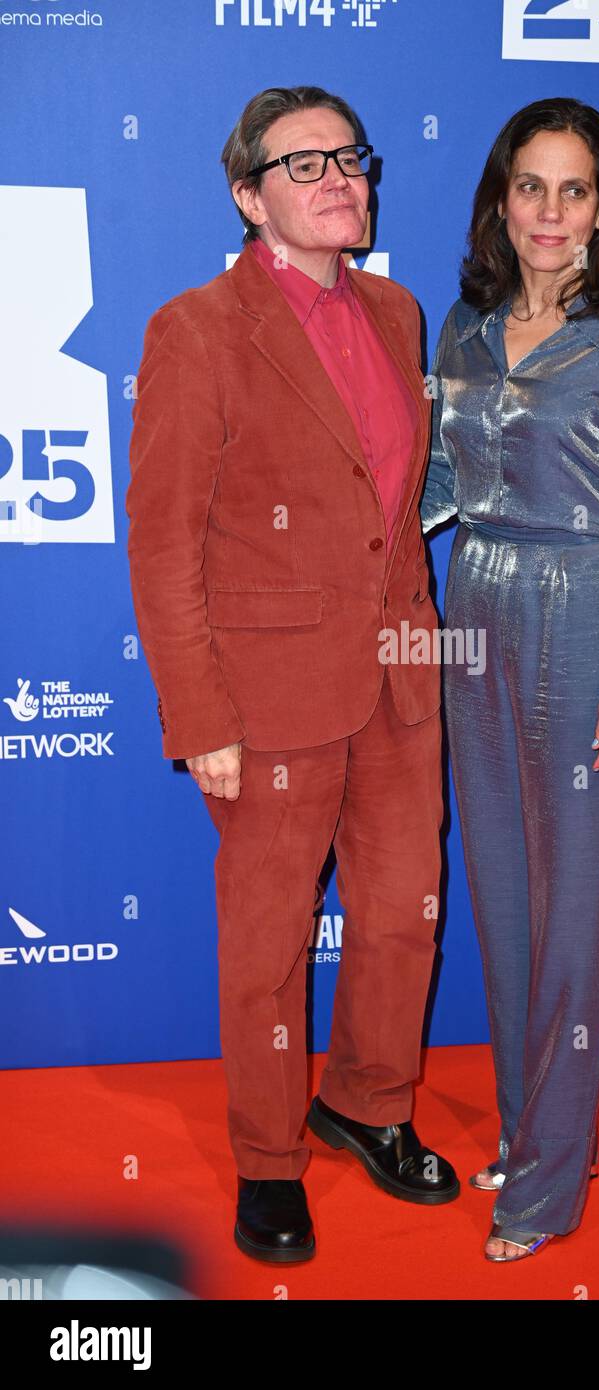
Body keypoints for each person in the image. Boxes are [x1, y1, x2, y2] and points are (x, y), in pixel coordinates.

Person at [126, 85, 458, 1266]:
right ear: (247, 195)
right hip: (266, 697)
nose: (337, 178)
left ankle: (369, 1103)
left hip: (401, 678)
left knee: (401, 916)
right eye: (302, 162)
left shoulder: (400, 310)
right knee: (267, 943)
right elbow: (163, 542)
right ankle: (268, 1161)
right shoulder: (196, 329)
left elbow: (396, 515)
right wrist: (198, 711)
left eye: (350, 157)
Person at [421, 97, 599, 1262]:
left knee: (579, 919)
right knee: (501, 903)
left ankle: (543, 1189)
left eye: (571, 188)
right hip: (473, 613)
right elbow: (436, 480)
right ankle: (529, 1128)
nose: (548, 210)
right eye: (528, 186)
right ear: (500, 199)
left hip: (590, 615)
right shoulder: (465, 325)